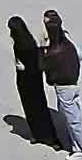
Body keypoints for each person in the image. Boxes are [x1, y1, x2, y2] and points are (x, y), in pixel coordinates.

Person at [40, 10, 82, 160]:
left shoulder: (52, 51)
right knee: (74, 115)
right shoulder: (67, 41)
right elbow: (80, 55)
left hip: (63, 88)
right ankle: (76, 147)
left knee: (73, 120)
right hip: (73, 83)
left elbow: (47, 73)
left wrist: (42, 50)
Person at [7, 16, 60, 150]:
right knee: (40, 107)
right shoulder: (29, 41)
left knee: (32, 109)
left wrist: (21, 68)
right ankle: (49, 138)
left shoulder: (20, 45)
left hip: (26, 80)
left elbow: (23, 64)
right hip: (35, 80)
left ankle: (41, 135)